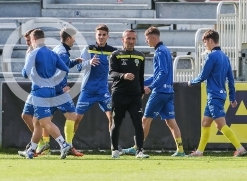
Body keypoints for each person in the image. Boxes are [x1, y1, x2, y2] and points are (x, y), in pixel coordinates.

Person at [122, 27, 185, 156]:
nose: (146, 42)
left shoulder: (159, 52)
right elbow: (159, 74)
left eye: (147, 39)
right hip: (168, 92)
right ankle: (181, 150)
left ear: (153, 38)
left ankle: (136, 147)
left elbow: (162, 73)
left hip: (160, 92)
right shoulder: (165, 50)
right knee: (171, 121)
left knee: (145, 120)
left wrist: (150, 87)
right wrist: (141, 82)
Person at [188, 29, 246, 157]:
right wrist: (232, 97)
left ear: (210, 41)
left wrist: (192, 82)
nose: (205, 45)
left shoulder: (211, 56)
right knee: (205, 122)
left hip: (214, 96)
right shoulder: (225, 57)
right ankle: (199, 152)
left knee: (220, 125)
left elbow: (203, 75)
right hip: (218, 95)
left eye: (205, 43)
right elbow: (231, 79)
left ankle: (240, 147)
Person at [19, 29, 71, 159]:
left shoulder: (33, 53)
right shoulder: (52, 54)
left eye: (30, 40)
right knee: (28, 116)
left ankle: (64, 144)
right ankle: (31, 150)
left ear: (34, 40)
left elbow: (25, 73)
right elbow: (65, 68)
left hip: (39, 91)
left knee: (44, 122)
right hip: (47, 90)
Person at [109, 29, 149, 159]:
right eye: (128, 39)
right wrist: (123, 75)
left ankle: (140, 151)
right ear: (123, 40)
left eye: (133, 39)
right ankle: (115, 150)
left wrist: (142, 91)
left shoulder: (140, 56)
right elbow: (112, 73)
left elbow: (141, 76)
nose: (131, 41)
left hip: (134, 96)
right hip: (119, 94)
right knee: (116, 123)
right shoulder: (115, 54)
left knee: (138, 123)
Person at [44, 27, 83, 156]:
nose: (74, 40)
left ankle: (41, 146)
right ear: (68, 38)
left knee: (45, 119)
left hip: (50, 88)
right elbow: (58, 72)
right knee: (72, 116)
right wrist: (62, 87)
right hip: (58, 90)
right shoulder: (63, 53)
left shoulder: (58, 49)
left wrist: (74, 62)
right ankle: (68, 146)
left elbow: (60, 65)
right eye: (74, 38)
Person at [75, 24, 117, 134]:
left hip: (102, 90)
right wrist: (88, 62)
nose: (101, 37)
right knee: (76, 118)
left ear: (108, 36)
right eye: (99, 35)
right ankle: (69, 145)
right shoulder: (88, 49)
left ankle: (114, 146)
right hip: (87, 90)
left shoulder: (113, 51)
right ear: (95, 36)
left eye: (104, 35)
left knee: (112, 117)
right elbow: (78, 67)